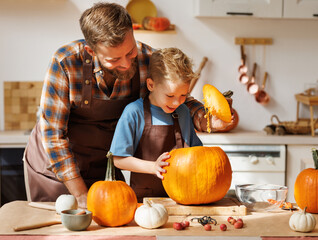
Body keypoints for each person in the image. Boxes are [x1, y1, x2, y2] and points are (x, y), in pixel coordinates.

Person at [23, 2, 234, 209]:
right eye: (114, 59)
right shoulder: (66, 63)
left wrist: (210, 120)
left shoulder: (147, 59)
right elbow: (53, 135)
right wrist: (80, 195)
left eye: (130, 52)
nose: (125, 64)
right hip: (55, 172)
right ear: (91, 51)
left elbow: (181, 100)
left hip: (105, 167)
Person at [110, 47, 203, 202]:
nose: (176, 102)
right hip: (144, 203)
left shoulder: (183, 112)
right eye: (170, 95)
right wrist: (153, 167)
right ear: (151, 85)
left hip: (181, 198)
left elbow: (196, 152)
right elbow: (118, 159)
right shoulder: (134, 112)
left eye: (183, 95)